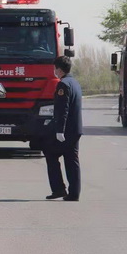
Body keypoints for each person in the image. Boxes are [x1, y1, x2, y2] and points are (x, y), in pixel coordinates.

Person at [44, 56, 83, 201]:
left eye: (55, 69)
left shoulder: (63, 85)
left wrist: (59, 130)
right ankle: (74, 193)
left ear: (59, 69)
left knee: (50, 154)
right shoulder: (75, 83)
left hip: (66, 131)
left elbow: (62, 110)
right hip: (76, 129)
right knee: (72, 161)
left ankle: (59, 189)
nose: (54, 71)